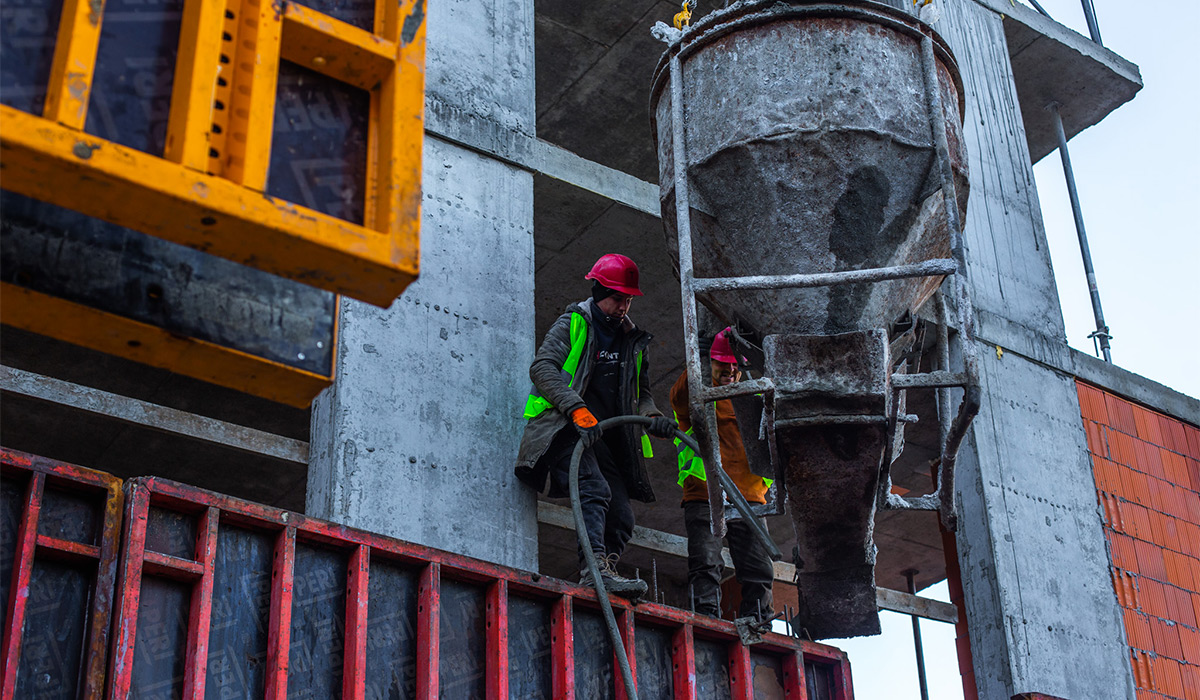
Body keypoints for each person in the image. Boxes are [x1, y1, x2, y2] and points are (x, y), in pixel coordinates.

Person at [515, 253, 676, 598]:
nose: (624, 307)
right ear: (599, 290)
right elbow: (543, 368)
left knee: (621, 518)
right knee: (594, 489)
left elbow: (642, 393)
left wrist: (651, 415)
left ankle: (604, 570)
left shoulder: (633, 341)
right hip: (563, 429)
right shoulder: (573, 323)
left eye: (628, 299)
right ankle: (594, 572)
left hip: (604, 438)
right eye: (618, 298)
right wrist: (575, 408)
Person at [669, 327, 775, 620]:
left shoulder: (753, 396)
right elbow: (678, 397)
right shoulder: (698, 393)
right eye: (721, 362)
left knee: (759, 568)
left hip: (749, 496)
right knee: (705, 562)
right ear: (711, 362)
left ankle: (758, 622)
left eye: (734, 364)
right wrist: (697, 361)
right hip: (705, 491)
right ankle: (706, 620)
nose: (729, 370)